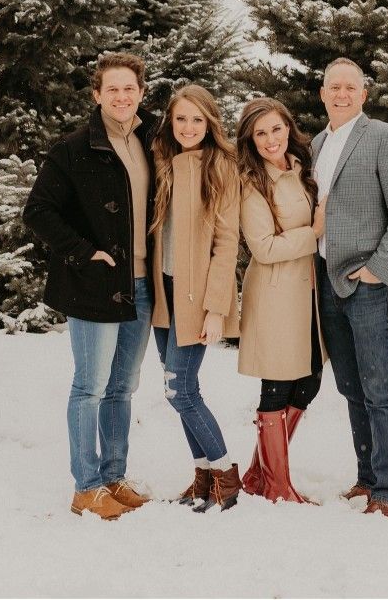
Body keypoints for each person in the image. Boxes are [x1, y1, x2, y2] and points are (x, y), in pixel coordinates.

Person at [24, 52, 156, 520]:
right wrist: (84, 253)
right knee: (90, 386)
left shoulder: (153, 139)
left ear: (141, 92)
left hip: (143, 283)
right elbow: (37, 211)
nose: (122, 97)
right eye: (112, 89)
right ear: (97, 94)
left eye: (130, 89)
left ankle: (114, 477)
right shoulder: (73, 149)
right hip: (95, 283)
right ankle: (86, 485)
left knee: (123, 387)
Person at [312, 57, 388, 518]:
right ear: (323, 93)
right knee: (351, 386)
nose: (341, 94)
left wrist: (379, 267)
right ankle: (365, 476)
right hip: (329, 279)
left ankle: (387, 490)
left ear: (363, 94)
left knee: (379, 389)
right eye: (333, 86)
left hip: (371, 282)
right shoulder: (317, 143)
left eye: (349, 87)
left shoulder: (383, 137)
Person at [149, 84, 241, 512]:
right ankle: (202, 477)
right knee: (180, 389)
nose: (188, 127)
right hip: (162, 293)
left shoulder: (220, 166)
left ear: (210, 123)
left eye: (197, 119)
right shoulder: (162, 160)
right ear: (171, 120)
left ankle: (225, 474)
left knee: (180, 389)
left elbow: (226, 243)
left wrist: (215, 308)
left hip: (196, 295)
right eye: (181, 118)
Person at [236, 98, 326, 503]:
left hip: (307, 291)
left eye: (276, 129)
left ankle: (259, 474)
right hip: (275, 292)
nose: (271, 140)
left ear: (288, 127)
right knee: (277, 383)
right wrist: (315, 230)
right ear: (250, 141)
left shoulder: (302, 169)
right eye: (260, 133)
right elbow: (264, 246)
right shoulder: (253, 183)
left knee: (309, 380)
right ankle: (276, 486)